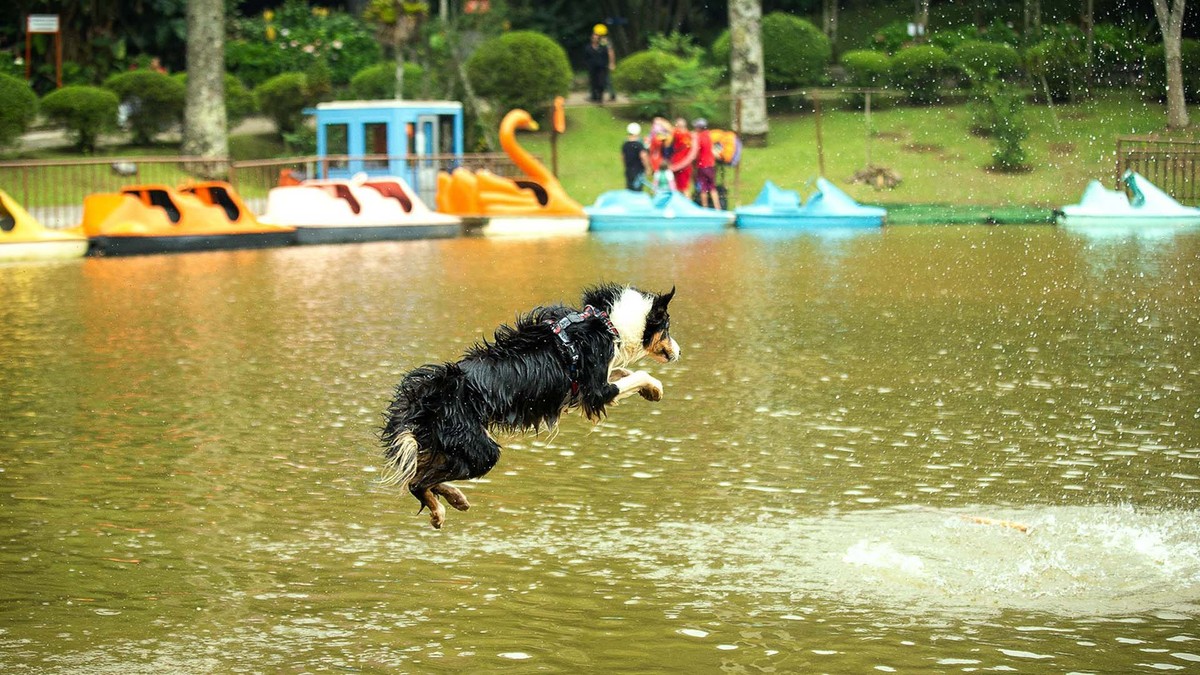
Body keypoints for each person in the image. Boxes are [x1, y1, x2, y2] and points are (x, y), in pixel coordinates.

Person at [692, 118, 722, 209]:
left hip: (702, 165)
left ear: (699, 128)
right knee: (712, 187)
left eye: (696, 127)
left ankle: (705, 208)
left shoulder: (699, 138)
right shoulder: (710, 135)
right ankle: (718, 208)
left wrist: (693, 162)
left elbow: (696, 153)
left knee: (703, 188)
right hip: (711, 165)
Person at [584, 24, 615, 104]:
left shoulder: (605, 41)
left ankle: (612, 95)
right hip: (597, 65)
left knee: (606, 80)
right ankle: (594, 95)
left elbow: (610, 52)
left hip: (603, 64)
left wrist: (611, 63)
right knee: (595, 80)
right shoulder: (601, 41)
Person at [621, 122, 650, 191]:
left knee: (629, 188)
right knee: (637, 189)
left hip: (629, 170)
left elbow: (622, 157)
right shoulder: (639, 145)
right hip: (638, 170)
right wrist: (647, 168)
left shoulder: (625, 144)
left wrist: (626, 166)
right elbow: (643, 156)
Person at [670, 117, 694, 194]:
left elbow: (669, 129)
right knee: (684, 187)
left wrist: (659, 120)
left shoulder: (679, 134)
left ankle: (685, 201)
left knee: (682, 188)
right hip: (687, 165)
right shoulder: (689, 135)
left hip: (679, 164)